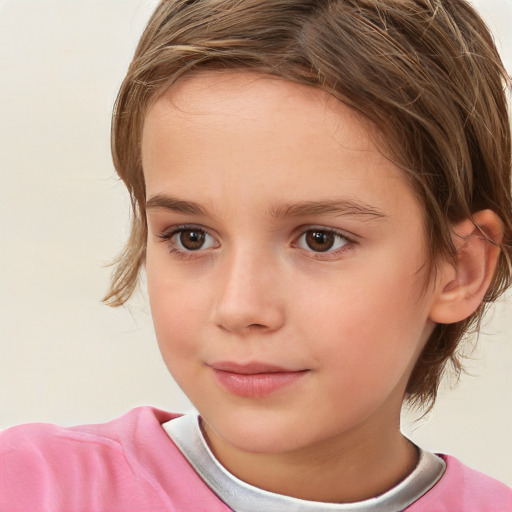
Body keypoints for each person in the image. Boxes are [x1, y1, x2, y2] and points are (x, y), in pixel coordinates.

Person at [1, 0, 511, 510]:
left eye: (319, 239)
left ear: (459, 269)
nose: (240, 307)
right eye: (191, 237)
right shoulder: (33, 487)